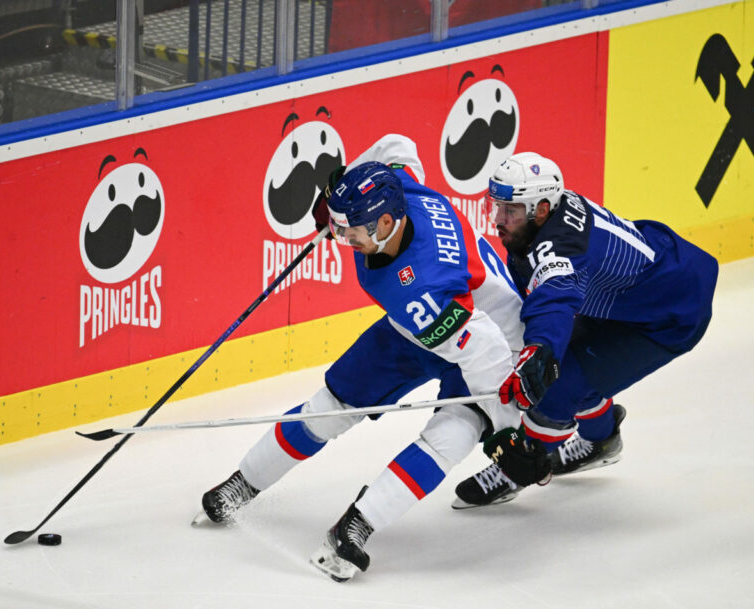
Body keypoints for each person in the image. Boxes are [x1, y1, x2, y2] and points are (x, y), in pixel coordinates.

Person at [198, 135, 526, 582]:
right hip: (424, 324)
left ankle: (358, 525)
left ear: (386, 224)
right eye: (338, 227)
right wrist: (337, 196)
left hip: (486, 337)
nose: (341, 237)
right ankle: (244, 482)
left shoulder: (422, 287)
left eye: (349, 231)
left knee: (451, 435)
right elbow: (397, 146)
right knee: (329, 409)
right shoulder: (400, 189)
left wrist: (507, 429)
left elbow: (484, 351)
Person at [453, 152, 719, 508]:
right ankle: (602, 440)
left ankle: (519, 468)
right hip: (634, 292)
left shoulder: (558, 249)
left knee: (558, 387)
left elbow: (554, 296)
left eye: (510, 211)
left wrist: (540, 347)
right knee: (577, 368)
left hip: (668, 314)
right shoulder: (545, 218)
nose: (498, 219)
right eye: (497, 207)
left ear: (542, 210)